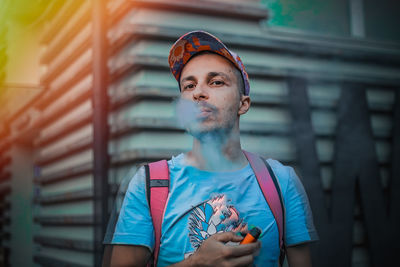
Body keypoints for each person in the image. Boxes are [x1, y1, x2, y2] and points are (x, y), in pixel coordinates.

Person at [105, 30, 318, 267]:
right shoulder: (149, 184)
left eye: (216, 82)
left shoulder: (282, 182)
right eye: (189, 85)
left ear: (243, 103)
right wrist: (197, 264)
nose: (198, 92)